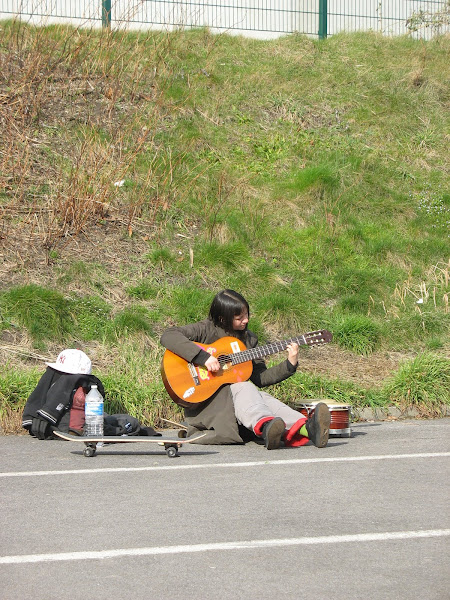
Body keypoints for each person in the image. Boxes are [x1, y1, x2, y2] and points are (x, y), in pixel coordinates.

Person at [160, 289, 330, 449]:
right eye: (239, 318)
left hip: (239, 402)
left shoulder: (249, 340)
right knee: (244, 387)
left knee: (261, 396)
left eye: (246, 314)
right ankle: (265, 426)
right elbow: (169, 335)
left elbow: (260, 378)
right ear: (222, 318)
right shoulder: (205, 329)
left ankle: (307, 428)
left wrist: (289, 364)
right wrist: (203, 358)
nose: (246, 320)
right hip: (207, 404)